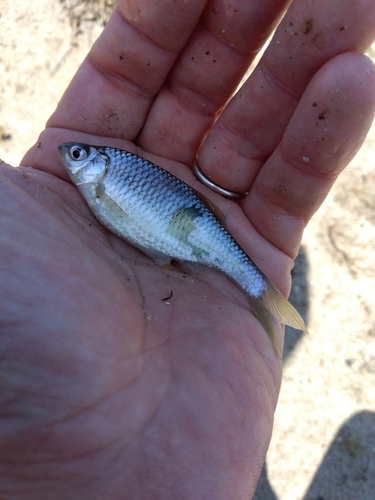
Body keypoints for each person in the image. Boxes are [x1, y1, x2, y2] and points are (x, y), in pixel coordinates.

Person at [0, 0, 374, 498]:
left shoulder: (105, 178)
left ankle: (258, 294)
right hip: (182, 233)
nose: (71, 157)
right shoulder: (99, 181)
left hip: (189, 234)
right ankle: (260, 298)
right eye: (76, 153)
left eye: (80, 155)